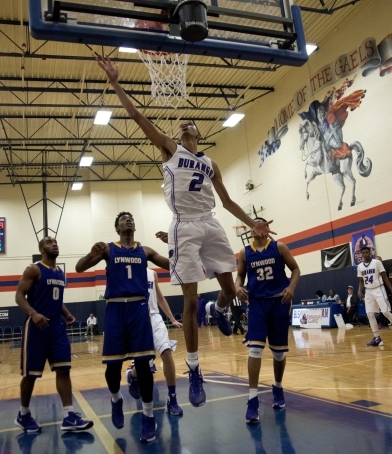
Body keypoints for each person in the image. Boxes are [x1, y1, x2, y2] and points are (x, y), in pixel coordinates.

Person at [96, 56, 274, 408]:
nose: (184, 124)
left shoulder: (210, 162)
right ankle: (194, 369)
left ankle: (220, 310)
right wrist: (116, 82)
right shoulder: (170, 149)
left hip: (210, 221)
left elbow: (226, 201)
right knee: (190, 300)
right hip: (184, 227)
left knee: (230, 290)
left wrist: (253, 222)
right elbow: (136, 117)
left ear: (199, 134)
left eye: (190, 123)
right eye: (181, 124)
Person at [75, 212, 170, 443]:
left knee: (144, 366)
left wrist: (176, 243)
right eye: (123, 218)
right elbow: (79, 268)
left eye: (131, 217)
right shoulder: (108, 249)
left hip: (139, 309)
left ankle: (148, 417)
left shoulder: (145, 251)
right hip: (116, 311)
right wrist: (91, 253)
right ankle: (116, 399)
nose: (128, 219)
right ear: (117, 227)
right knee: (112, 367)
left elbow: (172, 264)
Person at [14, 236, 93, 434]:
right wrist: (33, 314)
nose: (54, 244)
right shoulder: (33, 269)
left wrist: (66, 313)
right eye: (49, 242)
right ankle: (23, 415)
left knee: (64, 369)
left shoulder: (60, 272)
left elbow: (56, 299)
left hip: (57, 326)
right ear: (41, 249)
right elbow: (18, 296)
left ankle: (69, 416)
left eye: (56, 241)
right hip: (37, 326)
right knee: (31, 375)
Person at [234, 218, 300, 423]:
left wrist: (291, 288)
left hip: (278, 302)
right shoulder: (245, 252)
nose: (254, 227)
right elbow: (240, 277)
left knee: (278, 353)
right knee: (254, 349)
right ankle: (252, 399)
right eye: (251, 224)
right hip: (257, 304)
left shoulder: (279, 247)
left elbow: (296, 270)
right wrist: (237, 287)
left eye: (258, 224)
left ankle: (278, 387)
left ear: (266, 229)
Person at [126, 269, 184, 416]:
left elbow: (160, 298)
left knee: (166, 352)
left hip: (155, 317)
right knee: (145, 362)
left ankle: (173, 399)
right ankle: (132, 376)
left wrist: (172, 319)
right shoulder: (129, 273)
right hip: (138, 318)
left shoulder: (152, 273)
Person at [357, 247, 392, 346]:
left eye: (367, 252)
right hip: (368, 291)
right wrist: (359, 290)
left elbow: (385, 277)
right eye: (363, 253)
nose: (365, 254)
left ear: (370, 253)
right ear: (361, 255)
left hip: (379, 289)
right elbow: (361, 281)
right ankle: (377, 338)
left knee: (385, 312)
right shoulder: (360, 266)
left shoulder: (377, 262)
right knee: (370, 314)